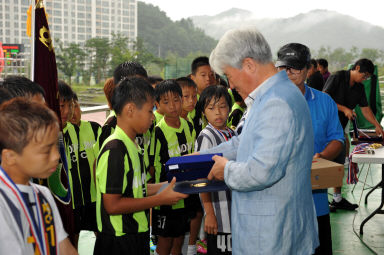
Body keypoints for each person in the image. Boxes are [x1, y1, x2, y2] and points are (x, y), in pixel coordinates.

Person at [198, 27, 318, 254]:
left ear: (249, 65)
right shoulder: (272, 95)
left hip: (272, 235)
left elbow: (263, 171)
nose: (230, 85)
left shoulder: (276, 103)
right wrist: (199, 158)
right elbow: (244, 142)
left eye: (230, 76)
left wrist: (226, 170)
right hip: (273, 229)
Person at [94, 77, 187, 255]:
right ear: (130, 110)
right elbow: (112, 205)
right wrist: (160, 199)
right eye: (150, 110)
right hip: (119, 240)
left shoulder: (133, 144)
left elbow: (137, 189)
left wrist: (168, 186)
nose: (153, 116)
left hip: (136, 235)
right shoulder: (115, 149)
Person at [276, 43, 344, 255]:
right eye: (283, 67)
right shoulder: (268, 103)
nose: (288, 73)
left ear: (308, 69)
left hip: (316, 201)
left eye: (294, 67)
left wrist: (322, 156)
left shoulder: (324, 101)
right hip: (279, 203)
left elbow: (337, 139)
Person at [0, 98, 77, 255]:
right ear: (10, 156)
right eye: (46, 151)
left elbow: (65, 248)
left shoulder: (43, 195)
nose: (56, 156)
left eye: (56, 147)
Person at [323, 58, 384, 210]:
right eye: (364, 76)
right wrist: (344, 109)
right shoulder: (337, 77)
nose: (365, 79)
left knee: (338, 163)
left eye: (368, 77)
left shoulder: (359, 88)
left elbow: (365, 108)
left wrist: (377, 125)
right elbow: (324, 98)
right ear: (356, 68)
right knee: (322, 162)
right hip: (324, 126)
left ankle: (337, 199)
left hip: (339, 129)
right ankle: (319, 199)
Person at [150, 80, 196, 255]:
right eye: (166, 102)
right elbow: (153, 166)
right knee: (165, 242)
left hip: (186, 192)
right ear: (158, 105)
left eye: (176, 100)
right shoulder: (157, 131)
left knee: (179, 240)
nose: (173, 106)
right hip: (165, 195)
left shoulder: (188, 126)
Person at [195, 85, 235, 255]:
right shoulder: (206, 137)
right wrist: (209, 214)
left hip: (235, 215)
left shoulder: (232, 134)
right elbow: (201, 179)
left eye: (222, 106)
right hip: (220, 218)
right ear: (204, 112)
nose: (217, 112)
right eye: (211, 108)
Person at [70, 93, 101, 233]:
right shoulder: (60, 134)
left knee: (100, 235)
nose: (72, 111)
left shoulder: (95, 129)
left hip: (95, 197)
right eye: (67, 106)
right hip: (72, 201)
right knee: (73, 238)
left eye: (75, 106)